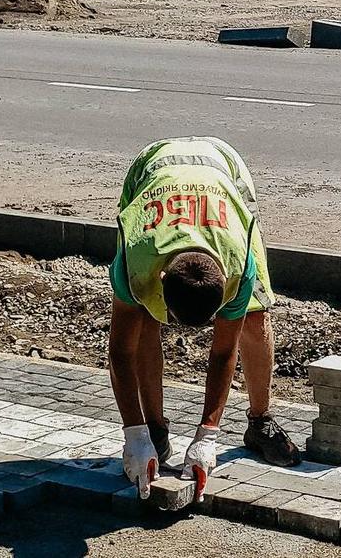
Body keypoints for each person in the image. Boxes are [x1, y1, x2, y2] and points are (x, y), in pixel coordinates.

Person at [109, 137, 300, 498]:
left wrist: (207, 435)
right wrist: (133, 434)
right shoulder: (135, 260)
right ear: (162, 279)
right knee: (144, 320)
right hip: (151, 172)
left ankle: (260, 421)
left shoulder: (237, 264)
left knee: (255, 317)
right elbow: (121, 351)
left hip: (223, 173)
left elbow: (222, 352)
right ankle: (154, 430)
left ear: (225, 282)